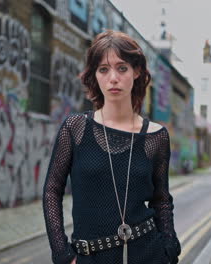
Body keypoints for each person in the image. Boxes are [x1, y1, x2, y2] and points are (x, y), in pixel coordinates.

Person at [43, 30, 181, 264]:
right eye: (104, 69)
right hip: (89, 258)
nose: (113, 78)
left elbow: (161, 199)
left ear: (137, 72)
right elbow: (51, 191)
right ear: (94, 75)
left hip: (147, 254)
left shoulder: (156, 137)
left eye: (122, 68)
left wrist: (169, 250)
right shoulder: (75, 128)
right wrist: (63, 255)